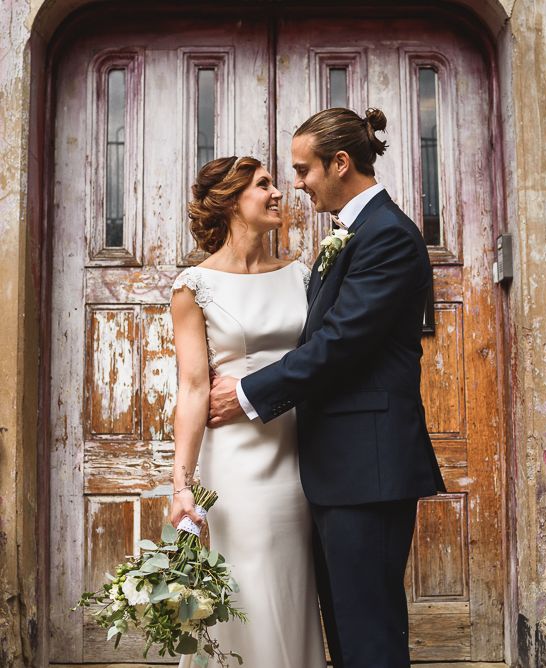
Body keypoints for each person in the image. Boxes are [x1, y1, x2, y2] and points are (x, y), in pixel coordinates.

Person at [208, 108, 446, 668]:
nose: (296, 184)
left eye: (302, 169)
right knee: (345, 628)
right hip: (338, 469)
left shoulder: (388, 235)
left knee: (369, 635)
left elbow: (339, 344)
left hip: (370, 468)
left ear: (339, 163)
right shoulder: (352, 233)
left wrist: (245, 394)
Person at [169, 156, 326, 668]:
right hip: (237, 460)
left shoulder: (302, 275)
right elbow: (193, 389)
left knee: (290, 588)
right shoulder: (194, 287)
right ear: (233, 202)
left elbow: (320, 361)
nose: (279, 192)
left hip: (299, 451)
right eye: (263, 185)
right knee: (249, 587)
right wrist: (181, 485)